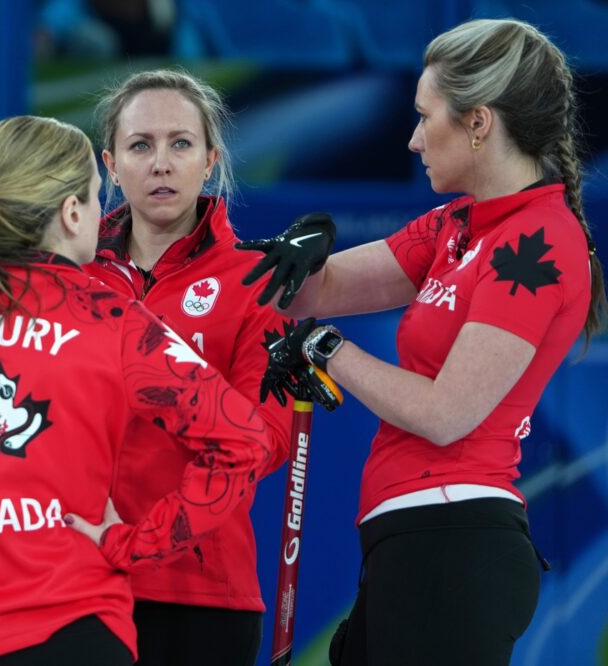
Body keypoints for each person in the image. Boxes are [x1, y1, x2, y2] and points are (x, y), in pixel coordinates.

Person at [240, 18, 607, 666]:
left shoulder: (537, 240)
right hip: (411, 538)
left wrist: (326, 350)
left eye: (424, 116)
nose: (411, 140)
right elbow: (312, 294)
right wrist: (294, 256)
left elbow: (446, 414)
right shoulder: (454, 225)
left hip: (454, 540)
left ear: (478, 122)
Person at [0, 115, 279, 665]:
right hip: (78, 632)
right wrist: (135, 541)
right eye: (99, 198)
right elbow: (246, 442)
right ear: (73, 213)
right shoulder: (116, 319)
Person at [84, 69, 297, 666]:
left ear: (210, 160)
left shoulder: (256, 282)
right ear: (110, 163)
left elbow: (269, 439)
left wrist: (165, 390)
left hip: (203, 590)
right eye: (140, 145)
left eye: (180, 144)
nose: (161, 163)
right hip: (83, 580)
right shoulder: (72, 279)